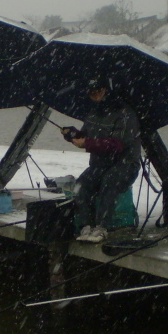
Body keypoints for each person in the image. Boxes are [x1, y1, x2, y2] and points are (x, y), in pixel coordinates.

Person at [62, 79, 142, 244]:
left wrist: (88, 144)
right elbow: (86, 136)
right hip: (100, 164)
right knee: (80, 185)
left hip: (125, 164)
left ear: (107, 90)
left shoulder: (125, 113)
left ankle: (102, 227)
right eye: (91, 92)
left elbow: (117, 145)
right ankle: (86, 226)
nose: (95, 95)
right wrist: (72, 135)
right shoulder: (93, 113)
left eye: (98, 91)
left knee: (109, 182)